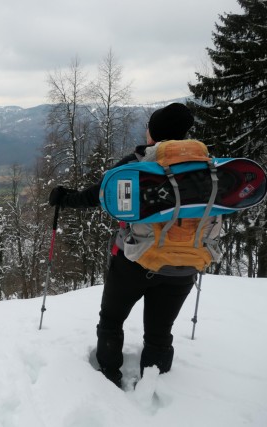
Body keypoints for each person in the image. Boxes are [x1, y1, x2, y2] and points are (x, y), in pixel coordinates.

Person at [48, 102, 196, 388]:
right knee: (159, 332)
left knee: (112, 320)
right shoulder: (206, 169)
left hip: (135, 262)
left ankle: (108, 379)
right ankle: (155, 388)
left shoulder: (137, 164)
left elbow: (97, 195)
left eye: (148, 127)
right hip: (184, 266)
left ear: (154, 132)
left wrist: (65, 198)